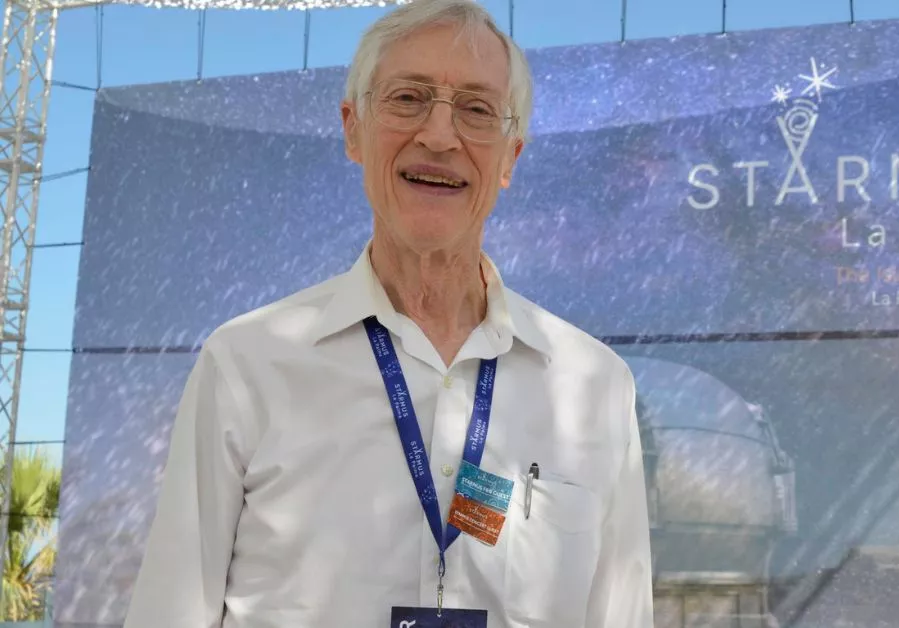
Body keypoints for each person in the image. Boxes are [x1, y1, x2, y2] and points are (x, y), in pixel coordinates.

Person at [121, 1, 654, 626]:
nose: (439, 134)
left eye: (477, 109)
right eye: (408, 98)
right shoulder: (246, 366)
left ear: (511, 157)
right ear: (353, 129)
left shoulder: (594, 385)